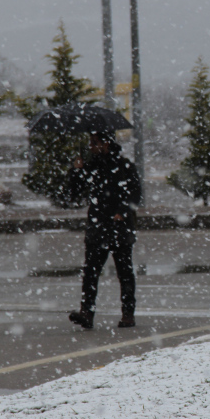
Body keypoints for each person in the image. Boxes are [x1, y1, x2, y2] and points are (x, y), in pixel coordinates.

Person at [67, 131, 142, 329]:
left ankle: (128, 314)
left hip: (120, 227)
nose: (91, 146)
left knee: (124, 272)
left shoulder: (125, 166)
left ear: (106, 143)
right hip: (98, 225)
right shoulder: (92, 166)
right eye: (90, 142)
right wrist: (77, 170)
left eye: (94, 142)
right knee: (90, 272)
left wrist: (122, 212)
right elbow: (74, 193)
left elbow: (135, 194)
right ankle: (87, 313)